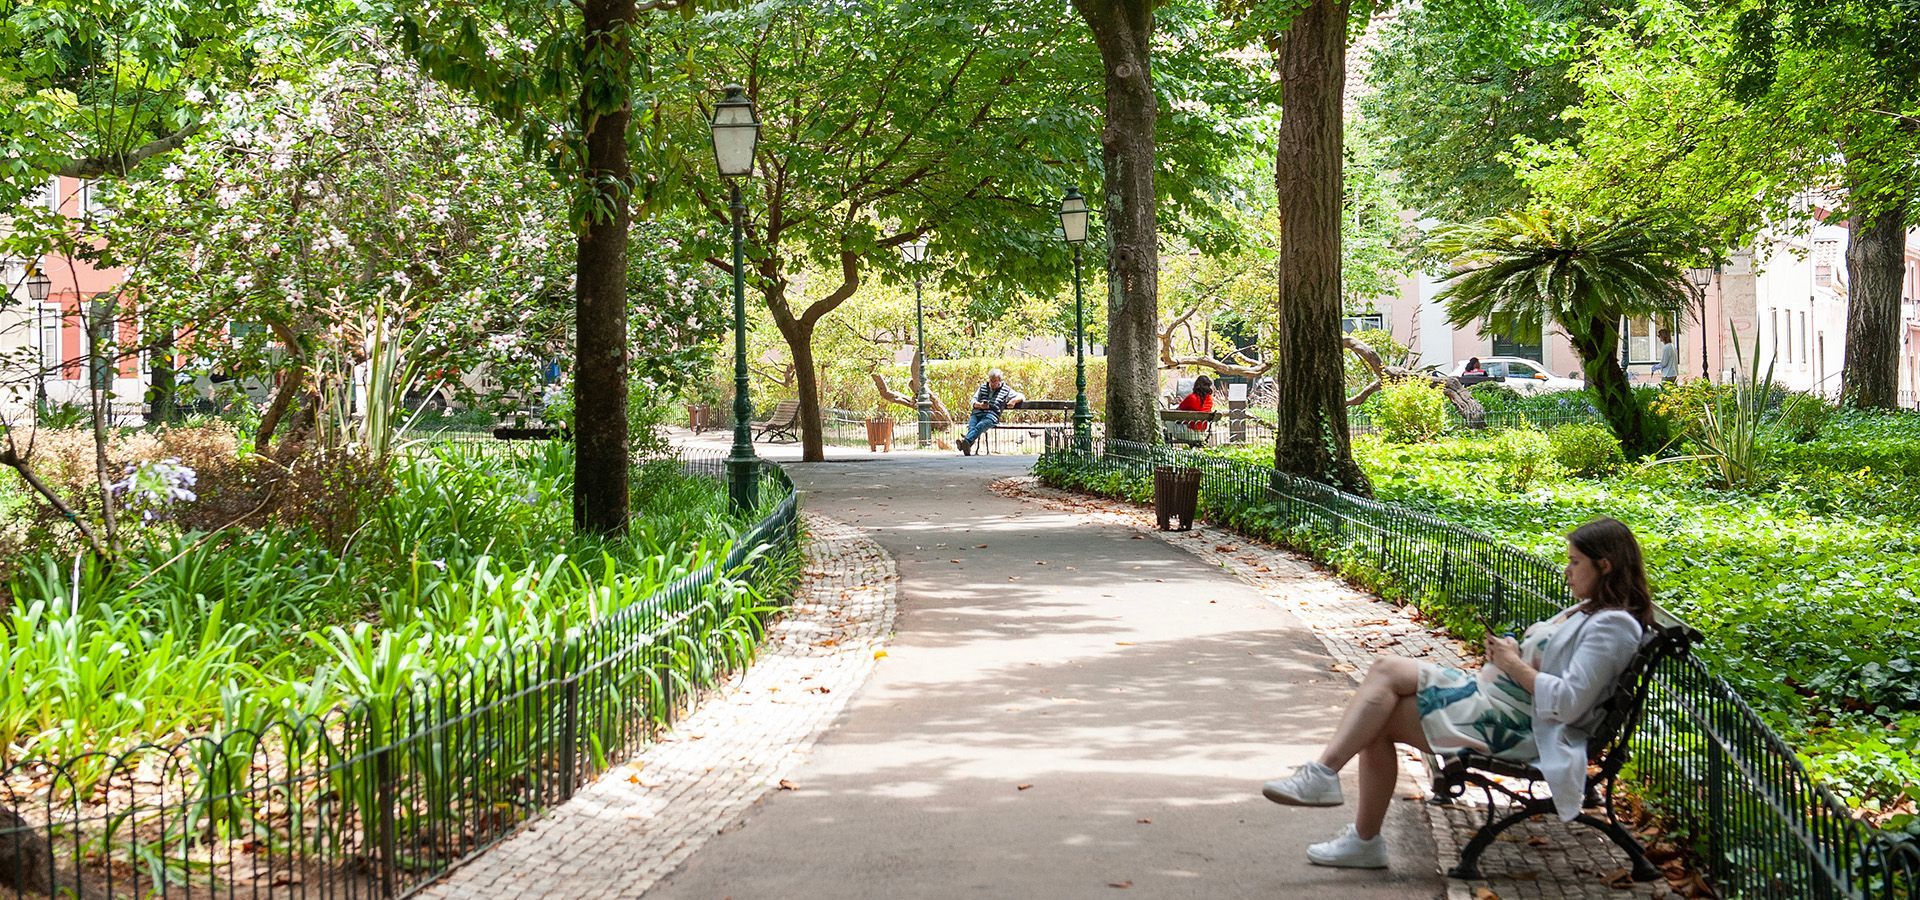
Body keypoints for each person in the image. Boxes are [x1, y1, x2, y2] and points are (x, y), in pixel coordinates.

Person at [1259, 517, 1653, 870]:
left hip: (1520, 727)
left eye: (1575, 562)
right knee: (1384, 669)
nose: (1567, 572)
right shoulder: (1588, 610)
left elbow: (1570, 703)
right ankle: (1330, 788)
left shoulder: (1612, 626)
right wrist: (1510, 654)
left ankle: (1346, 812)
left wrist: (1513, 663)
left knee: (1376, 720)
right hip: (1496, 702)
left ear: (1605, 566)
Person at [956, 369, 1023, 455]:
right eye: (991, 381)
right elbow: (973, 400)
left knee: (980, 426)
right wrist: (979, 405)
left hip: (992, 415)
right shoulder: (982, 387)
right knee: (972, 426)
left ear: (1000, 381)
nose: (992, 383)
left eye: (995, 381)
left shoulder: (1006, 390)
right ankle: (967, 445)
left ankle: (965, 442)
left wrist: (1014, 400)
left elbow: (1021, 396)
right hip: (977, 413)